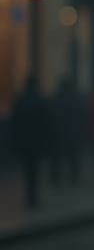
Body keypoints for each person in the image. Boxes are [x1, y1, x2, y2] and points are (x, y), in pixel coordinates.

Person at [10, 75, 51, 208]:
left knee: (28, 170)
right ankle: (33, 197)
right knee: (34, 170)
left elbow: (14, 122)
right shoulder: (40, 100)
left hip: (25, 141)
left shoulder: (20, 100)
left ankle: (29, 197)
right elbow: (46, 123)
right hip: (36, 141)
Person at [50, 74, 85, 185]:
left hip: (58, 133)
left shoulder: (56, 98)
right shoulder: (75, 98)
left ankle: (56, 178)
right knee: (72, 157)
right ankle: (73, 177)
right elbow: (81, 116)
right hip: (71, 133)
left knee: (57, 158)